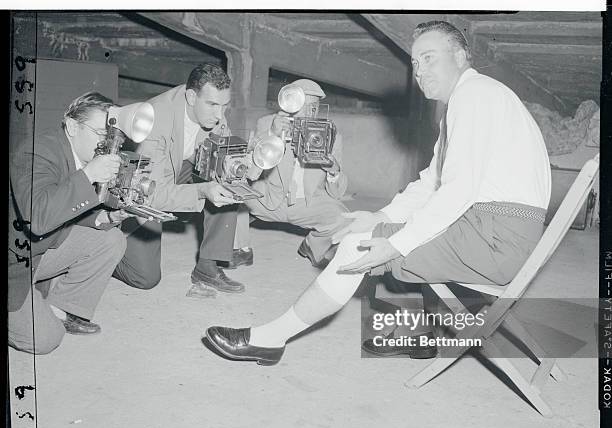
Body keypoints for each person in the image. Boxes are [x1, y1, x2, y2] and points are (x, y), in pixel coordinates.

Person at [203, 20, 551, 365]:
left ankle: (271, 338)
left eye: (429, 58)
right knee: (374, 228)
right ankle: (415, 334)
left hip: (494, 238)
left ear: (460, 56)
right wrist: (380, 217)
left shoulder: (474, 95)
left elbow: (457, 191)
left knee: (363, 245)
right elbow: (432, 182)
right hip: (493, 231)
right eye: (415, 62)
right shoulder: (472, 99)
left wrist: (395, 242)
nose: (420, 71)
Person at [9, 92, 128, 354]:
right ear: (73, 127)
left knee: (111, 239)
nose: (107, 143)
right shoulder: (36, 152)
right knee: (45, 339)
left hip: (38, 253)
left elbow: (66, 203)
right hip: (14, 262)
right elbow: (37, 218)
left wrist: (104, 217)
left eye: (112, 136)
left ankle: (61, 308)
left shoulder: (79, 153)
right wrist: (89, 175)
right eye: (101, 133)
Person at [112, 63, 243, 296]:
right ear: (191, 97)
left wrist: (247, 167)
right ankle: (99, 254)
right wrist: (202, 191)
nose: (219, 115)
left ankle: (207, 266)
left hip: (174, 172)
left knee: (227, 183)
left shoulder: (212, 113)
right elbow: (152, 195)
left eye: (224, 106)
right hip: (137, 189)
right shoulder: (154, 119)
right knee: (145, 277)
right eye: (212, 105)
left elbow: (225, 157)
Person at [241, 79, 351, 268]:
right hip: (267, 199)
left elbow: (337, 194)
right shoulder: (267, 123)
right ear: (289, 103)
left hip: (305, 204)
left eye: (314, 108)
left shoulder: (330, 134)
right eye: (304, 106)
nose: (310, 113)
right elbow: (251, 170)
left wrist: (333, 170)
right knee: (229, 198)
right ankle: (240, 249)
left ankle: (312, 245)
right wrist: (273, 135)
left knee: (345, 218)